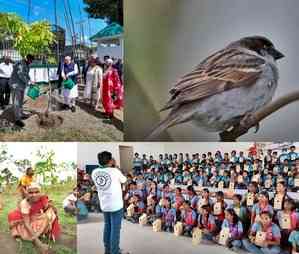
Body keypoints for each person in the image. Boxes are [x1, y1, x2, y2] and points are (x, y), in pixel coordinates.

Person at [91, 151, 129, 254]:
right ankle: (115, 251)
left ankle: (107, 250)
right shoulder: (115, 171)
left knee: (107, 226)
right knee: (115, 230)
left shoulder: (94, 172)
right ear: (110, 160)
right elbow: (124, 180)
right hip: (116, 205)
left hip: (104, 205)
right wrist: (115, 166)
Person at [8, 183, 60, 254]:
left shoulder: (42, 198)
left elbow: (46, 207)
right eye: (30, 192)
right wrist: (39, 243)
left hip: (34, 217)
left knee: (50, 213)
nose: (34, 195)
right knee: (43, 219)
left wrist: (51, 207)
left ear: (40, 192)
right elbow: (26, 223)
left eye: (36, 192)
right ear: (27, 193)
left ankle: (38, 234)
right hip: (25, 221)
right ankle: (35, 237)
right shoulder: (25, 203)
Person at [9, 54, 35, 127]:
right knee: (16, 102)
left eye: (32, 61)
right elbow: (20, 74)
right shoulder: (20, 63)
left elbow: (26, 74)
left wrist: (30, 80)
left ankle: (20, 114)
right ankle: (17, 119)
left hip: (21, 85)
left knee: (20, 101)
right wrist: (28, 82)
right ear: (26, 58)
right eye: (30, 60)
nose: (31, 62)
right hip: (15, 85)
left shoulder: (27, 64)